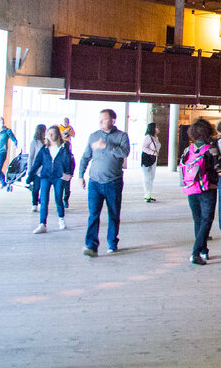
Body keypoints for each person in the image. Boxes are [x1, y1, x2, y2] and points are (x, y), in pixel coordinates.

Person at [77, 109, 130, 257]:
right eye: (100, 119)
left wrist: (106, 145)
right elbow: (86, 156)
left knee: (113, 213)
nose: (101, 122)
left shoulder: (122, 136)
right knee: (93, 214)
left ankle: (112, 243)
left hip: (113, 182)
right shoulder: (93, 136)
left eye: (104, 119)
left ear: (113, 120)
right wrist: (80, 175)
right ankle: (91, 246)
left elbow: (124, 153)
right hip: (95, 182)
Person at [180, 118, 221, 265]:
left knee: (198, 219)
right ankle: (196, 252)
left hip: (191, 187)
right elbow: (220, 169)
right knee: (206, 220)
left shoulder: (187, 150)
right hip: (207, 188)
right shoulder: (211, 149)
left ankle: (204, 250)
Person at [28, 125, 73, 234]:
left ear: (57, 134)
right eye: (49, 133)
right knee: (43, 200)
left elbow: (70, 161)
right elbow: (37, 163)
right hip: (45, 176)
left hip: (58, 177)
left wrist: (69, 174)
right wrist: (30, 176)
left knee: (58, 198)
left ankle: (61, 219)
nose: (51, 135)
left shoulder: (63, 148)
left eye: (53, 133)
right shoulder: (44, 149)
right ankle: (42, 224)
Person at [0, 117, 18, 191]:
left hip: (2, 152)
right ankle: (4, 183)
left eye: (2, 121)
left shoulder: (7, 131)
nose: (1, 122)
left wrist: (15, 144)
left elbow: (13, 138)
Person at [27, 124, 46, 211]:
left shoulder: (47, 141)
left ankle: (42, 202)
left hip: (45, 169)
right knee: (36, 187)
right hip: (36, 169)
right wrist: (30, 169)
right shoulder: (34, 142)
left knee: (44, 188)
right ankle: (34, 203)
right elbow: (31, 156)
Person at [140, 122, 161, 203]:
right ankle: (147, 195)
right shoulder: (148, 137)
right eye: (156, 127)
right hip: (147, 159)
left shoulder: (155, 137)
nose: (158, 128)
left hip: (153, 159)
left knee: (151, 177)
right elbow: (143, 148)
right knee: (146, 177)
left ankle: (149, 194)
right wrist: (152, 152)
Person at [59, 118, 75, 208]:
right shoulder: (59, 127)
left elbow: (73, 135)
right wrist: (64, 132)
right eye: (65, 122)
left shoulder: (70, 128)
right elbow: (58, 136)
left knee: (67, 186)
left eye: (67, 122)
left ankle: (65, 199)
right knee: (61, 185)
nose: (66, 123)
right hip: (61, 170)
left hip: (68, 169)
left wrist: (68, 132)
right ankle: (62, 200)